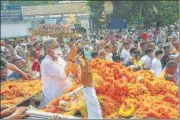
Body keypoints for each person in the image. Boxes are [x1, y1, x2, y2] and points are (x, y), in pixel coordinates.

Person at [39, 38, 77, 108]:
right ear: (48, 50)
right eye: (55, 47)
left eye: (58, 46)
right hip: (54, 97)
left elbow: (73, 71)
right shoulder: (46, 63)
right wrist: (70, 59)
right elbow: (64, 76)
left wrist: (73, 59)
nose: (58, 48)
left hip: (65, 94)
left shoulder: (59, 58)